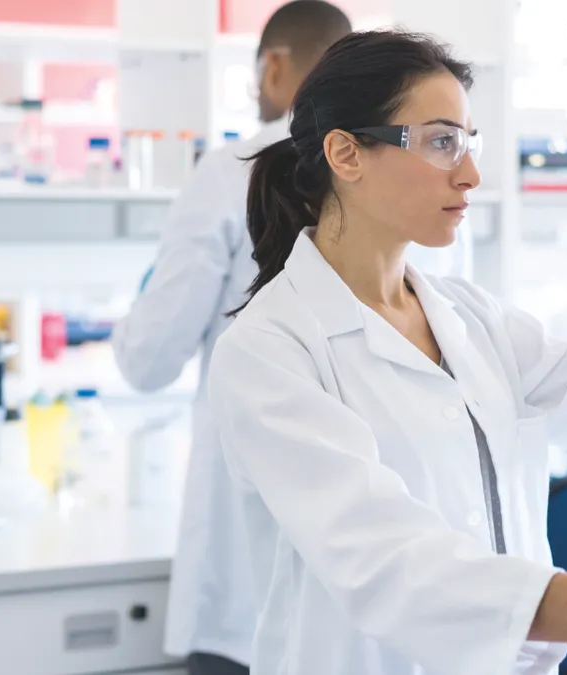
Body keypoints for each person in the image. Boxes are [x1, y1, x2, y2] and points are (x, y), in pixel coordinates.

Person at [207, 29, 567, 675]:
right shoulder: (270, 349)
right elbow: (391, 565)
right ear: (346, 153)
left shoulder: (473, 319)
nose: (470, 173)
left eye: (468, 142)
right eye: (442, 141)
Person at [111, 3, 352, 673]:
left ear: (273, 66)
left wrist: (132, 314)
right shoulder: (397, 176)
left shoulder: (230, 171)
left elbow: (148, 358)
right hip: (363, 577)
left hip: (244, 582)